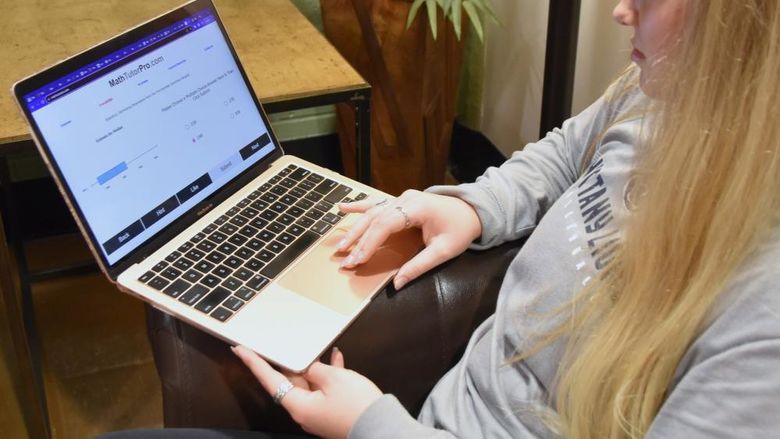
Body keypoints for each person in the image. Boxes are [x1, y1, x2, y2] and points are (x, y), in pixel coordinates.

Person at [100, 0, 780, 438]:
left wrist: (369, 423)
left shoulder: (761, 315)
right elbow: (564, 154)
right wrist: (467, 205)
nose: (620, 11)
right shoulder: (663, 99)